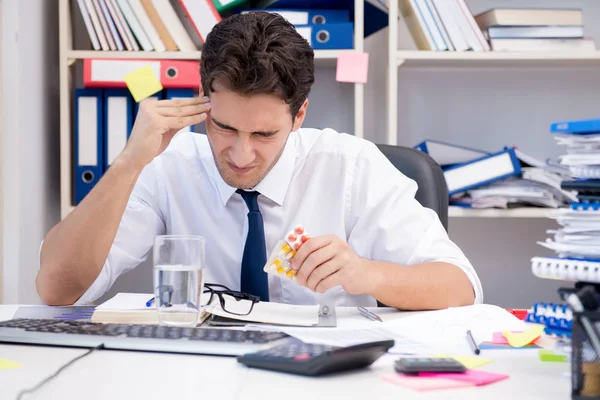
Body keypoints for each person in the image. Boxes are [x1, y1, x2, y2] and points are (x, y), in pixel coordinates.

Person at [37, 12, 482, 309]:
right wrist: (129, 163)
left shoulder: (350, 166)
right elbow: (57, 289)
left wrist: (368, 274)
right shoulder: (168, 163)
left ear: (299, 114)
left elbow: (462, 287)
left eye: (265, 134)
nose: (241, 154)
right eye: (224, 127)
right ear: (204, 100)